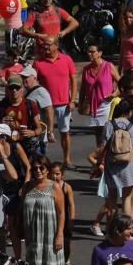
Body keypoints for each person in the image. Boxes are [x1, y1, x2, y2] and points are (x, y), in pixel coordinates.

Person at [33, 35, 79, 167]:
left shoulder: (66, 60)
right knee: (43, 134)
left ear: (56, 46)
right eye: (44, 45)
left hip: (63, 104)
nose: (45, 47)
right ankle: (42, 161)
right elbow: (32, 83)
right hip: (45, 106)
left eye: (48, 44)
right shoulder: (38, 63)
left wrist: (73, 100)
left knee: (65, 132)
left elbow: (73, 80)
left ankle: (67, 159)